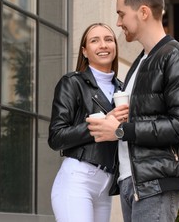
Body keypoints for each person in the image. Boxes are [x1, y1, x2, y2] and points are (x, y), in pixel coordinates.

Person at [86, 0, 179, 222]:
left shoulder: (178, 57)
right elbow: (147, 117)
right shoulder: (141, 62)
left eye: (122, 14)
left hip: (157, 180)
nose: (118, 22)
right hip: (133, 179)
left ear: (143, 12)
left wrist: (121, 131)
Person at [48, 23, 129, 222]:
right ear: (85, 51)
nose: (103, 45)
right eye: (95, 40)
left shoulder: (124, 89)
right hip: (78, 180)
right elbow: (56, 137)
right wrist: (101, 125)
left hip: (106, 185)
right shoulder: (72, 83)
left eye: (108, 39)